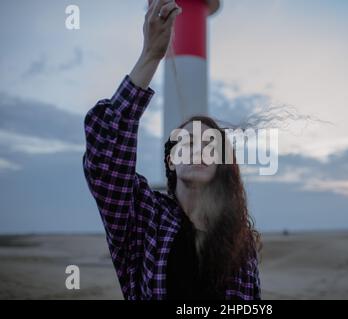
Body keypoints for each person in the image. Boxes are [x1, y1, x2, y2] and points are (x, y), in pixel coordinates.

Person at [82, 0, 261, 300]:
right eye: (186, 142)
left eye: (209, 144)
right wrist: (151, 54)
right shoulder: (143, 218)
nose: (197, 149)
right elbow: (104, 156)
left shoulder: (239, 245)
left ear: (221, 163)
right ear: (171, 160)